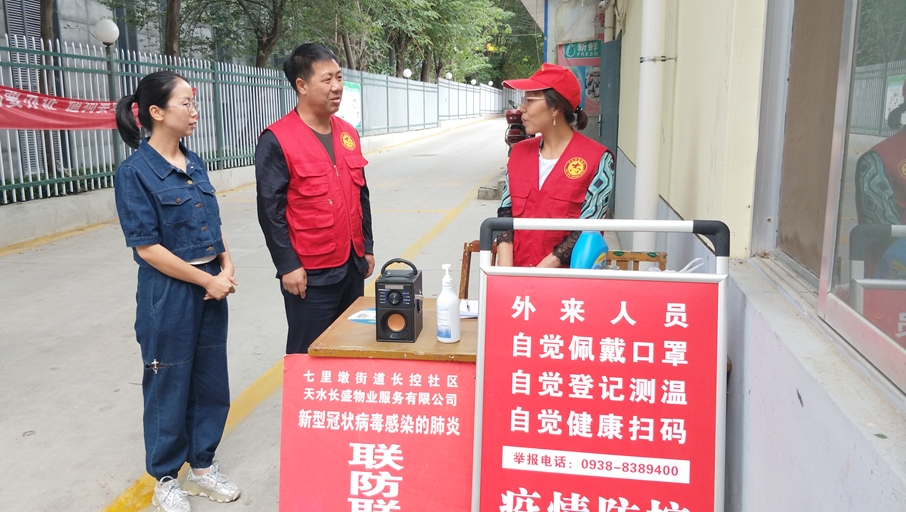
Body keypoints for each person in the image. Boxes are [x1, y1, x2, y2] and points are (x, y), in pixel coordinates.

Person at [113, 71, 241, 512]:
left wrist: (226, 264)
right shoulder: (135, 173)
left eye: (194, 102)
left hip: (211, 286)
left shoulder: (194, 161)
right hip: (169, 293)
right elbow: (147, 248)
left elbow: (212, 222)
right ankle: (166, 478)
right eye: (186, 103)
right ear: (156, 112)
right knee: (168, 379)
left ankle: (202, 466)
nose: (194, 111)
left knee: (210, 378)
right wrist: (207, 279)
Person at [256, 43, 375, 354]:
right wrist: (287, 265)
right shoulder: (277, 139)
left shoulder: (348, 133)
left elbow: (361, 194)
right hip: (311, 273)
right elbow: (270, 211)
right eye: (327, 79)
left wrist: (367, 247)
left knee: (351, 348)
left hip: (352, 265)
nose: (337, 87)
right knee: (308, 354)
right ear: (302, 85)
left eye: (339, 77)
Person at [496, 64, 614, 267]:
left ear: (556, 107)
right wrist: (506, 275)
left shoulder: (598, 160)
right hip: (516, 277)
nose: (522, 108)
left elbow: (587, 230)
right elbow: (505, 215)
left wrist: (537, 275)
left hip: (565, 279)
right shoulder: (518, 153)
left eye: (530, 100)